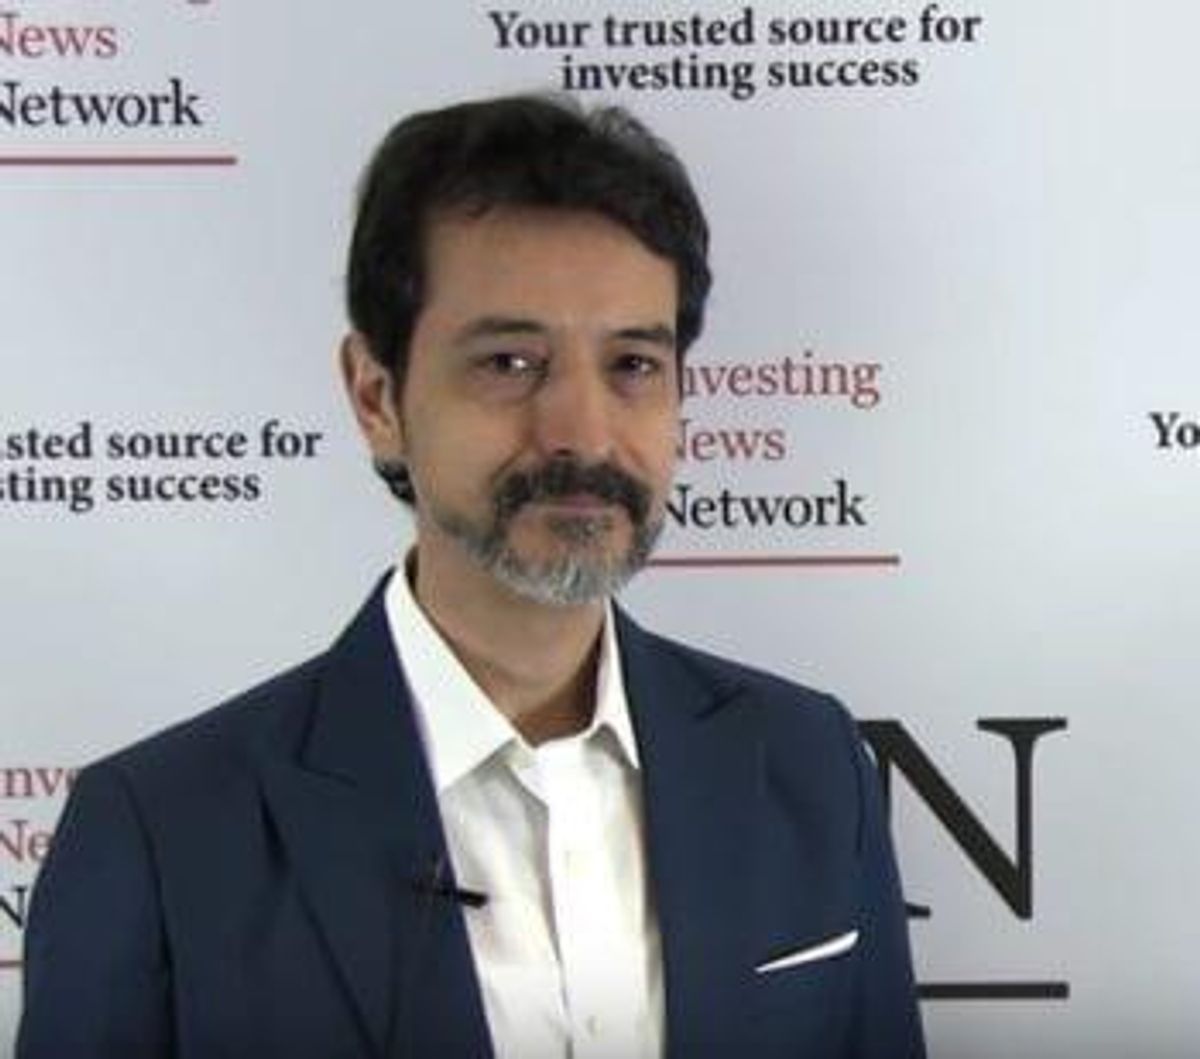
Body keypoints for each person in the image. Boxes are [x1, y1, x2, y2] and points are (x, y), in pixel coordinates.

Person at [17, 94, 925, 1058]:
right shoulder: (157, 836)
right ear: (377, 397)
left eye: (632, 365)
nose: (583, 433)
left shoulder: (807, 763)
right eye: (511, 362)